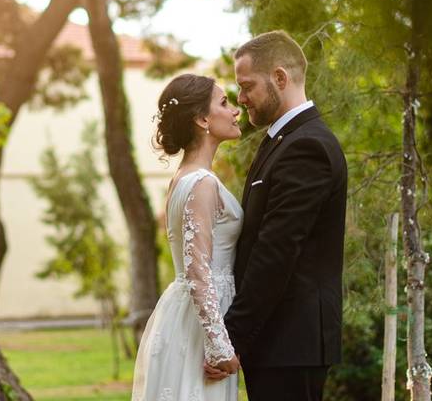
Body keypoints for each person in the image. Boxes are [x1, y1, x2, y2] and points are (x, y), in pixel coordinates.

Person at [211, 30, 348, 401]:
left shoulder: (307, 146)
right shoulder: (282, 140)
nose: (240, 99)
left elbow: (277, 249)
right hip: (278, 340)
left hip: (292, 340)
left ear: (280, 78)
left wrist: (232, 336)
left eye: (246, 86)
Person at [132, 74, 244, 401]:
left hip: (191, 317)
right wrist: (219, 346)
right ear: (202, 119)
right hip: (200, 328)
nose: (235, 110)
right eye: (224, 103)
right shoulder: (201, 183)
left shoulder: (182, 179)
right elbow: (198, 271)